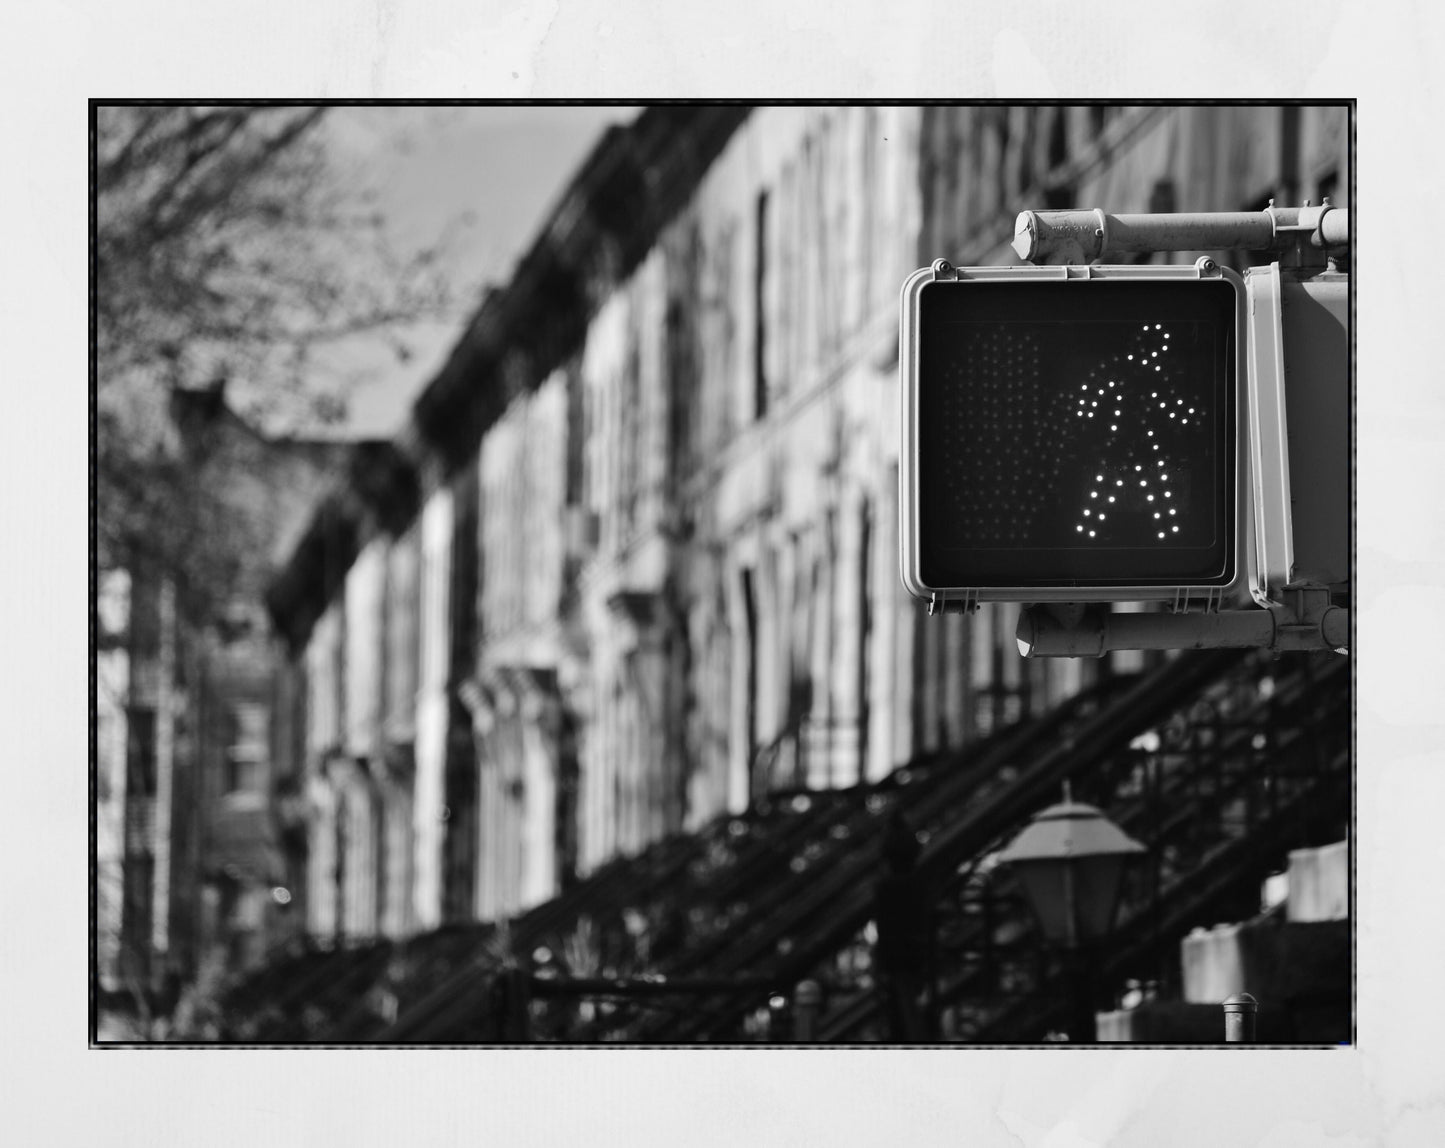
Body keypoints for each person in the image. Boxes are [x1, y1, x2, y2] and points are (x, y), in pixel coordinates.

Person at [871, 810, 932, 1042]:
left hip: (897, 959)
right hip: (912, 955)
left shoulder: (885, 887)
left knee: (903, 1016)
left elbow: (885, 927)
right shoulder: (917, 884)